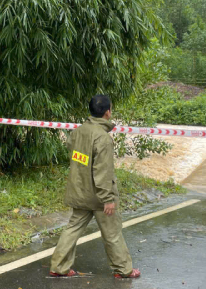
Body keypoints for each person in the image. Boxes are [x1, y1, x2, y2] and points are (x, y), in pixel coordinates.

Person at [49, 95, 140, 279]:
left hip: (80, 191)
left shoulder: (78, 132)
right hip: (99, 196)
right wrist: (107, 199)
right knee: (112, 232)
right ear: (108, 112)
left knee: (72, 228)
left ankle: (58, 266)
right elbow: (103, 171)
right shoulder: (103, 138)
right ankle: (123, 270)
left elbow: (72, 150)